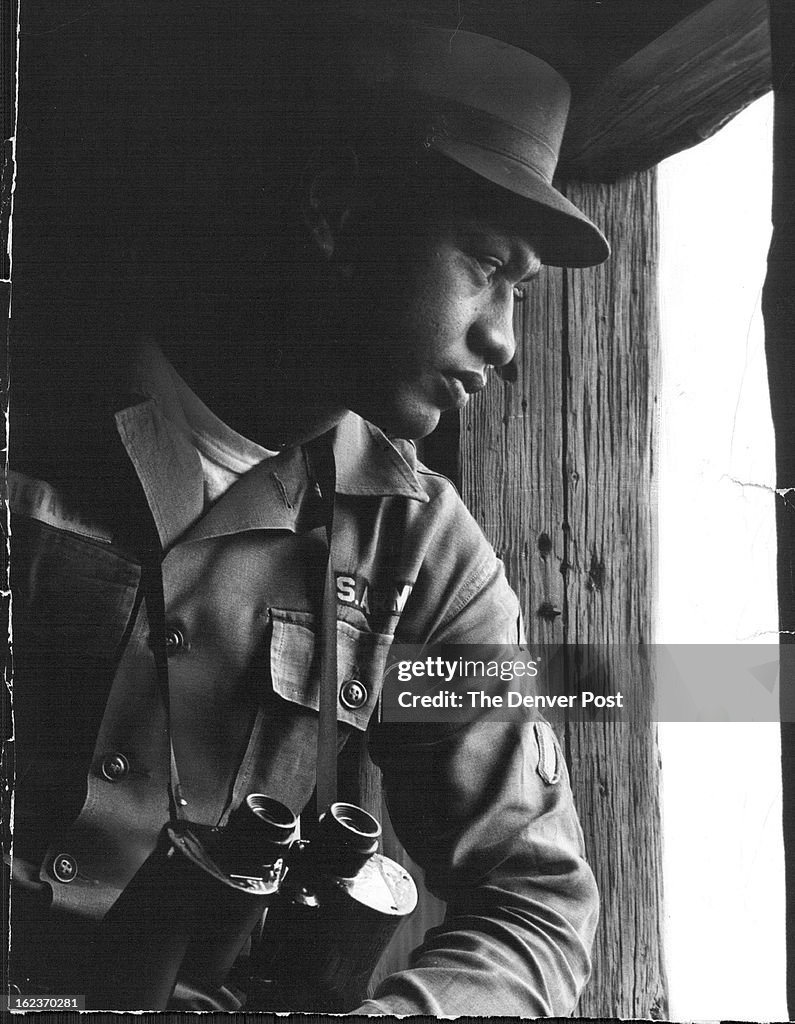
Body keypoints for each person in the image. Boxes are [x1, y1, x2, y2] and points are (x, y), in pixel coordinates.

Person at [7, 8, 609, 1015]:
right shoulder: (34, 414)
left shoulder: (422, 548)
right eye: (485, 265)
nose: (504, 339)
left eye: (524, 292)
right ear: (338, 213)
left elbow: (536, 901)